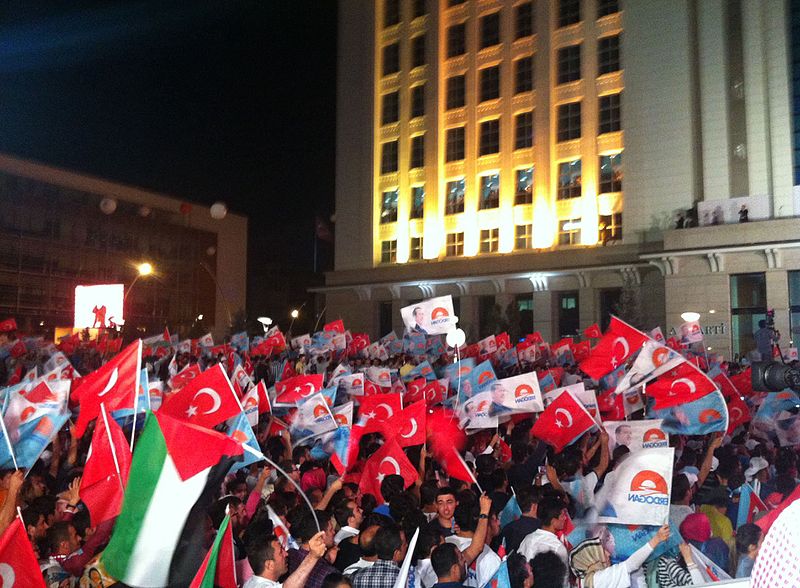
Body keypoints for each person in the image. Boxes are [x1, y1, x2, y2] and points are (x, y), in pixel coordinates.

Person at [569, 524, 670, 588]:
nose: (608, 554)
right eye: (603, 552)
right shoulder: (597, 580)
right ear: (592, 560)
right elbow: (631, 565)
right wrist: (656, 539)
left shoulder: (583, 580)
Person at [244, 531, 327, 588]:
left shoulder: (251, 582)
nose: (286, 554)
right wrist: (313, 556)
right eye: (281, 552)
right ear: (269, 565)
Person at [518, 496, 569, 568]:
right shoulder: (557, 547)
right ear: (553, 521)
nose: (565, 518)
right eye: (563, 515)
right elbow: (563, 578)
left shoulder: (527, 539)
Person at [351, 524, 407, 588]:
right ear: (396, 553)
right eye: (404, 544)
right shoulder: (405, 580)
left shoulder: (355, 577)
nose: (407, 545)